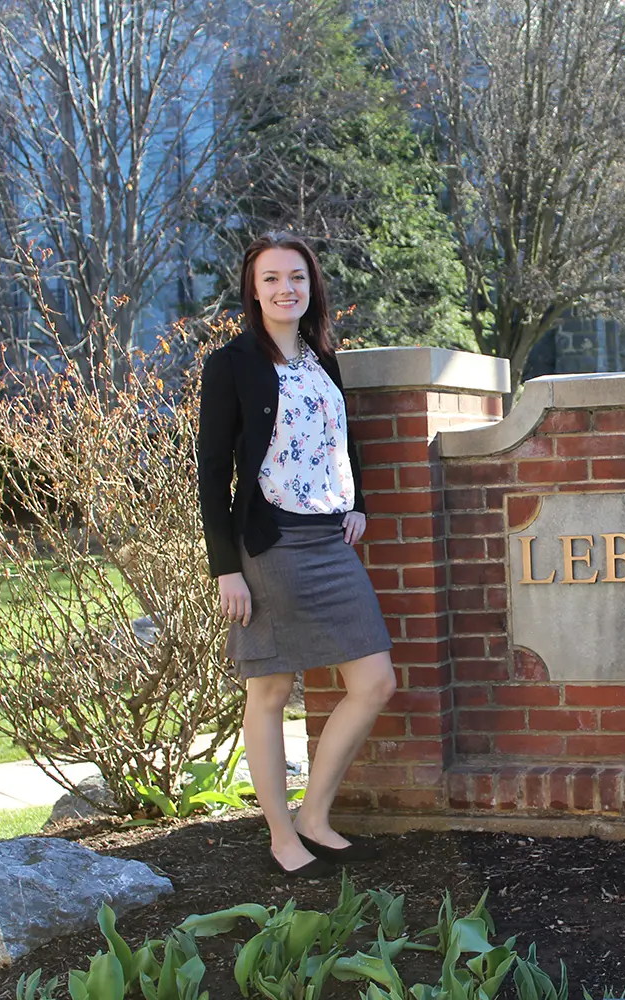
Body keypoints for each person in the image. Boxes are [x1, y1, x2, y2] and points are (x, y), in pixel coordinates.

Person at [197, 231, 396, 877]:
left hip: (330, 539)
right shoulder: (232, 364)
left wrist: (358, 500)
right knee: (271, 688)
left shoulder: (321, 358)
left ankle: (316, 813)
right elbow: (211, 472)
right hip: (271, 541)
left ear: (312, 288)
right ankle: (282, 834)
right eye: (273, 278)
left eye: (298, 278)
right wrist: (226, 567)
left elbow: (342, 441)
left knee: (373, 682)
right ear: (253, 290)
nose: (287, 288)